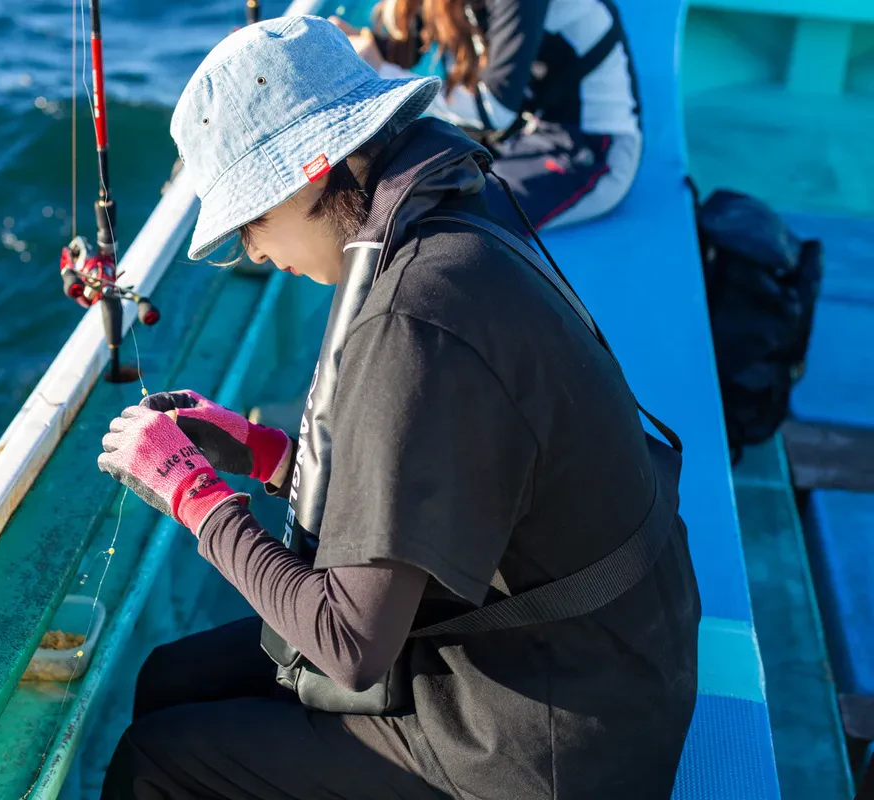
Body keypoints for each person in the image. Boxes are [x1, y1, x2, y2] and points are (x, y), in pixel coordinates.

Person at [97, 15, 699, 800]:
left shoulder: (411, 318)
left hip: (554, 740)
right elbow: (453, 466)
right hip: (611, 662)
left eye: (251, 220)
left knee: (157, 757)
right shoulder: (453, 208)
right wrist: (265, 456)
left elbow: (350, 643)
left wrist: (195, 496)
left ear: (316, 170)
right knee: (172, 678)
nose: (251, 251)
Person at [332, 0, 642, 232]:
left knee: (440, 219)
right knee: (393, 189)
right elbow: (409, 47)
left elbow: (495, 112)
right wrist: (357, 46)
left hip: (590, 151)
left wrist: (383, 75)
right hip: (520, 133)